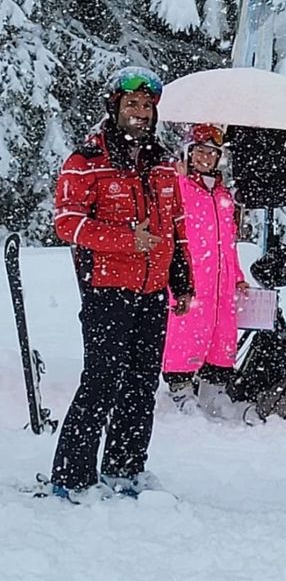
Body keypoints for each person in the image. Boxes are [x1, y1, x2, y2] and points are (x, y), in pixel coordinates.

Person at [51, 66, 193, 500]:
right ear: (114, 107)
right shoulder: (87, 162)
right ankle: (72, 476)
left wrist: (181, 280)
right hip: (107, 291)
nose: (141, 112)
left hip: (152, 295)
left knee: (141, 384)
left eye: (148, 105)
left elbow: (177, 226)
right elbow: (66, 223)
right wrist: (125, 240)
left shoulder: (163, 164)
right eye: (132, 104)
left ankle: (125, 469)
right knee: (101, 382)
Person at [161, 124, 249, 416]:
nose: (206, 158)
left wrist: (237, 277)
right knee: (186, 330)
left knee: (222, 332)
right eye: (200, 151)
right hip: (192, 275)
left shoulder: (223, 196)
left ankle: (215, 388)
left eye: (212, 153)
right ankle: (180, 388)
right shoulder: (180, 187)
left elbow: (229, 243)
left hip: (222, 279)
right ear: (189, 153)